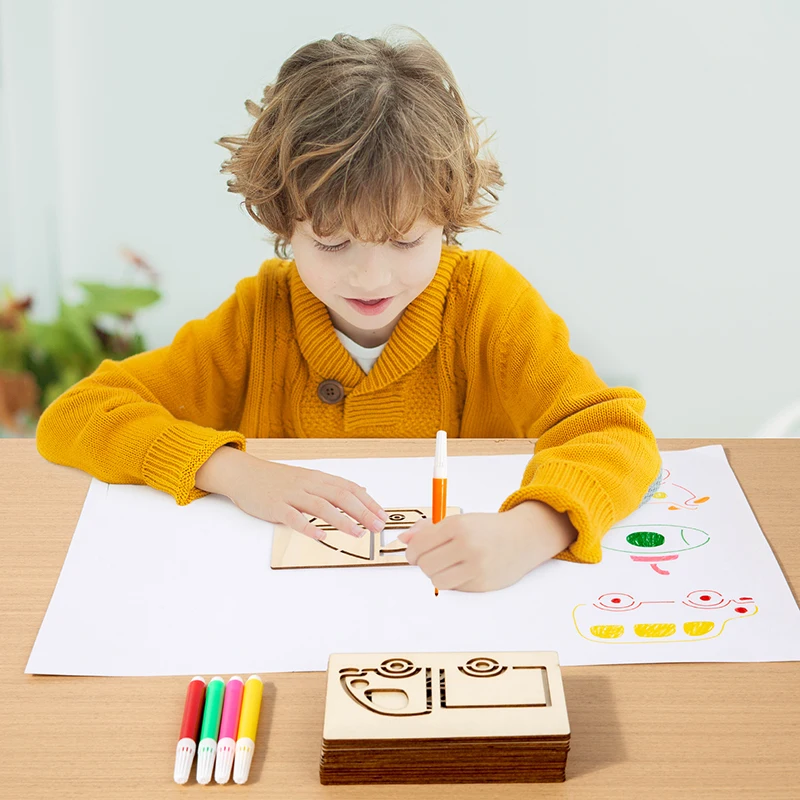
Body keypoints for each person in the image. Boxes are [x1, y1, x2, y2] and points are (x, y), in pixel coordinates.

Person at [36, 28, 661, 592]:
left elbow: (614, 436)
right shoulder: (261, 316)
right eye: (332, 245)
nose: (372, 276)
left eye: (407, 241)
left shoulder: (486, 303)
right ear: (283, 223)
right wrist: (234, 472)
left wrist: (533, 531)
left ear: (448, 218)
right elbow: (77, 415)